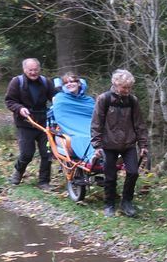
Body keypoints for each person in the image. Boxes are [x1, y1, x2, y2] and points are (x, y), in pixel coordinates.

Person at [91, 69, 148, 218]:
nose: (127, 90)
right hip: (108, 144)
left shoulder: (132, 101)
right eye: (124, 87)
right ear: (115, 84)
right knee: (110, 176)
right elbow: (96, 123)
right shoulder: (104, 99)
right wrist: (97, 145)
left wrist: (143, 145)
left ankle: (126, 202)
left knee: (133, 172)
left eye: (129, 87)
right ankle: (109, 204)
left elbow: (139, 124)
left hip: (128, 143)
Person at [4, 58, 57, 190]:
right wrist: (19, 108)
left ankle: (44, 182)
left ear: (39, 69)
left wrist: (57, 101)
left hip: (44, 123)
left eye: (36, 70)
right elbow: (10, 101)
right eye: (30, 70)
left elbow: (55, 97)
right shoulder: (17, 82)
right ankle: (18, 173)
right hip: (25, 123)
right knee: (27, 153)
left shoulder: (46, 82)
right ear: (24, 70)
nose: (33, 72)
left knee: (47, 153)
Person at [51, 72, 97, 163]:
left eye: (72, 81)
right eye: (66, 83)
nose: (69, 84)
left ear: (79, 83)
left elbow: (95, 116)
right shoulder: (60, 98)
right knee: (81, 136)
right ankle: (92, 157)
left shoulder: (88, 100)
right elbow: (61, 117)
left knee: (100, 134)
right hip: (71, 129)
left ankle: (112, 156)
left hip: (88, 126)